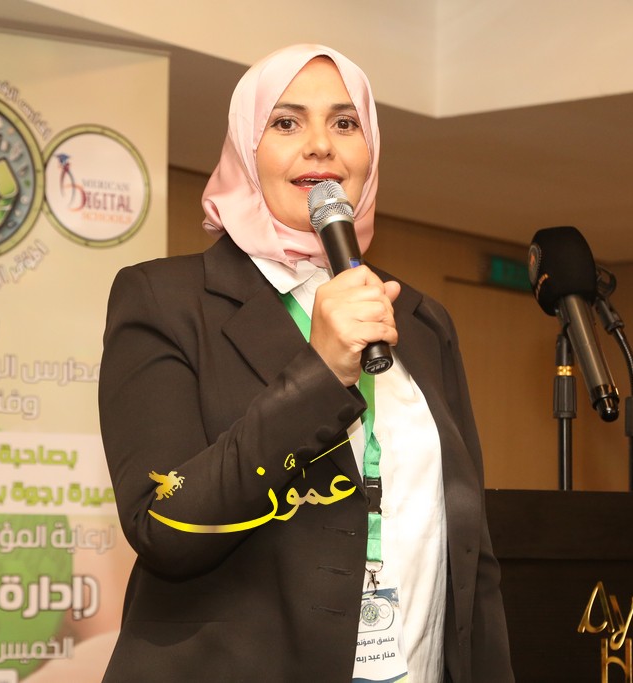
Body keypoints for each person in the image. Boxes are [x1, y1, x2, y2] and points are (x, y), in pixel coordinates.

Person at [98, 44, 514, 683]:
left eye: (345, 123)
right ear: (247, 149)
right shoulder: (165, 300)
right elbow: (166, 531)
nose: (321, 146)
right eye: (287, 123)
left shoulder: (420, 319)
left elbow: (471, 556)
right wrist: (321, 372)